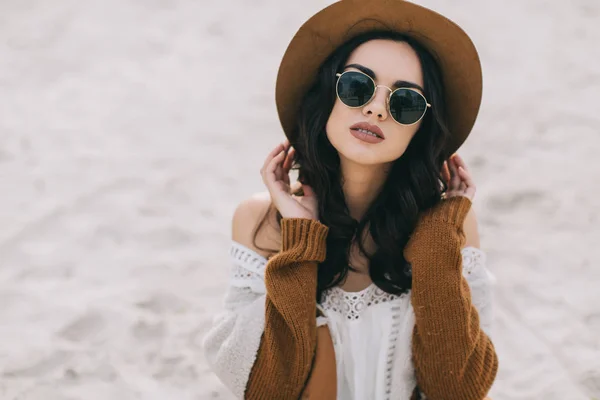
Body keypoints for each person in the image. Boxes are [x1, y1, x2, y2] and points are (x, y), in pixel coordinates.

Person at [202, 0, 499, 398]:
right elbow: (267, 387)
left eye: (405, 102)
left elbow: (460, 390)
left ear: (421, 130)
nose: (376, 108)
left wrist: (435, 246)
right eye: (357, 86)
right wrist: (300, 239)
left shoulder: (450, 228)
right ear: (328, 95)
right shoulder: (260, 221)